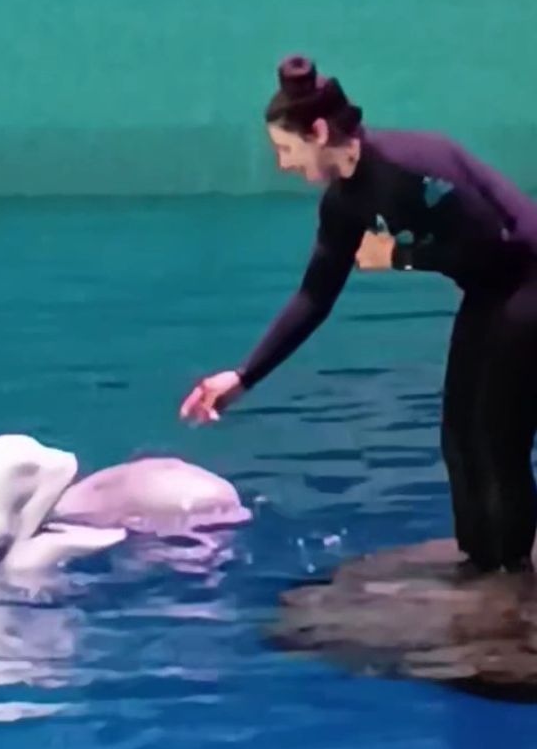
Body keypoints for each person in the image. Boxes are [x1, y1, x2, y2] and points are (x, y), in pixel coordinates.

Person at [180, 55, 537, 577]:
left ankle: (513, 580)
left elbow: (502, 245)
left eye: (286, 148)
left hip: (528, 279)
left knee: (495, 439)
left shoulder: (413, 165)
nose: (282, 164)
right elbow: (314, 296)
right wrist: (244, 376)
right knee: (459, 436)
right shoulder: (344, 202)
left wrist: (399, 257)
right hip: (491, 289)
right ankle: (482, 568)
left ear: (319, 131)